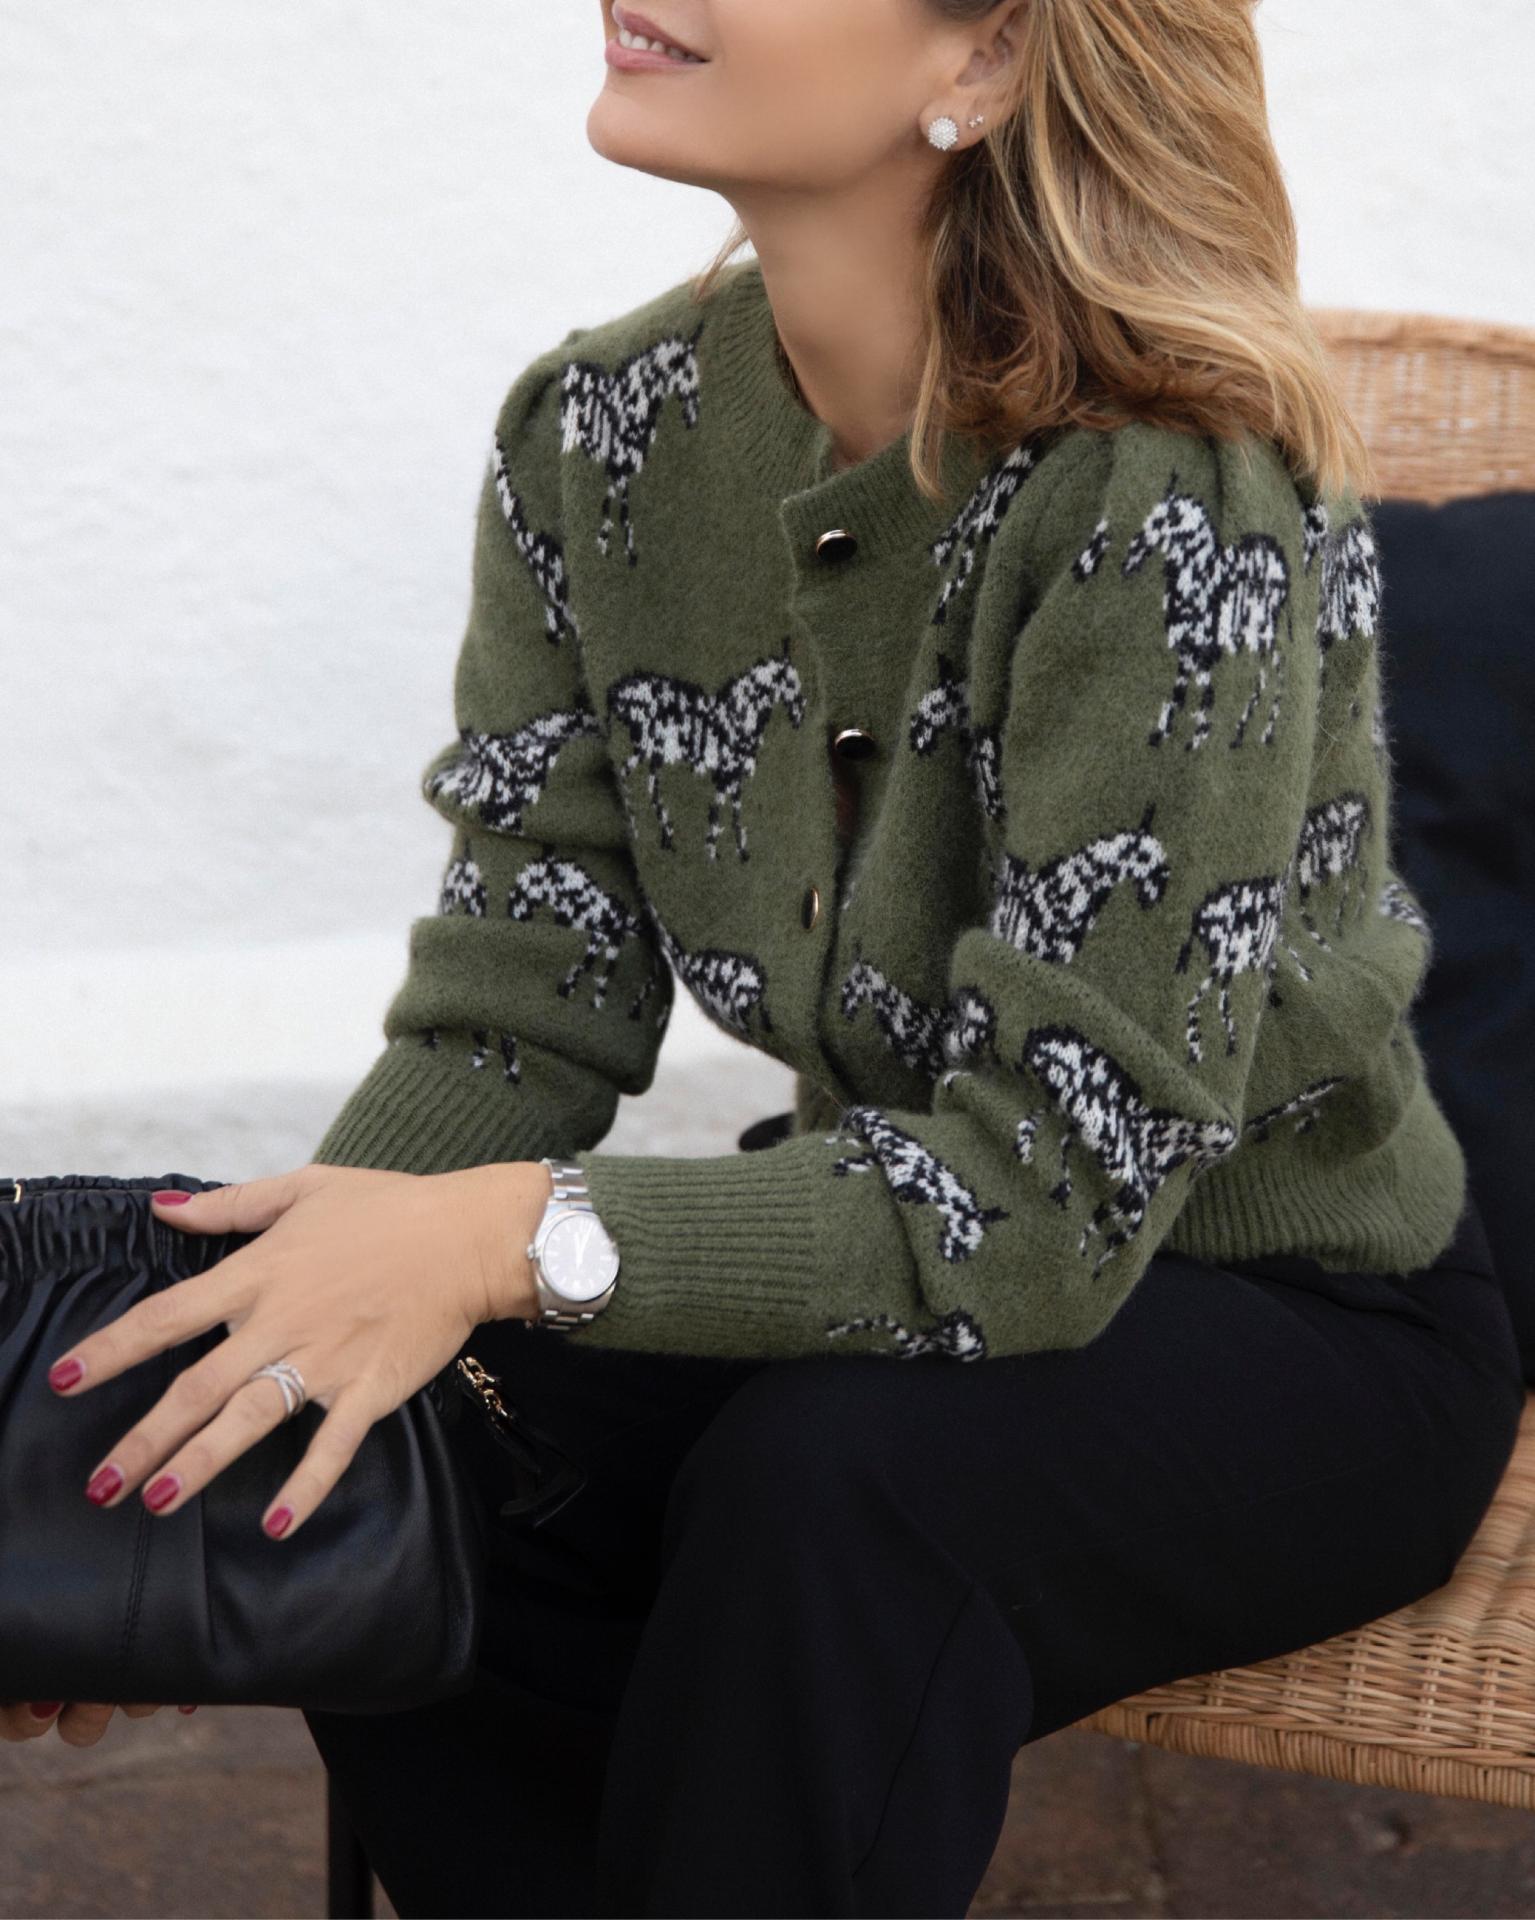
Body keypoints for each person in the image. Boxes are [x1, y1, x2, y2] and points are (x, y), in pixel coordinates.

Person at [10, 3, 1524, 1916]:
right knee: (422, 1434)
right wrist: (239, 1377)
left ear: (983, 65)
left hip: (1292, 1324)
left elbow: (1052, 1197)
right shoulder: (595, 442)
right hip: (895, 1235)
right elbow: (513, 1010)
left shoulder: (1166, 496)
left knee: (838, 1488)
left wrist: (503, 1237)